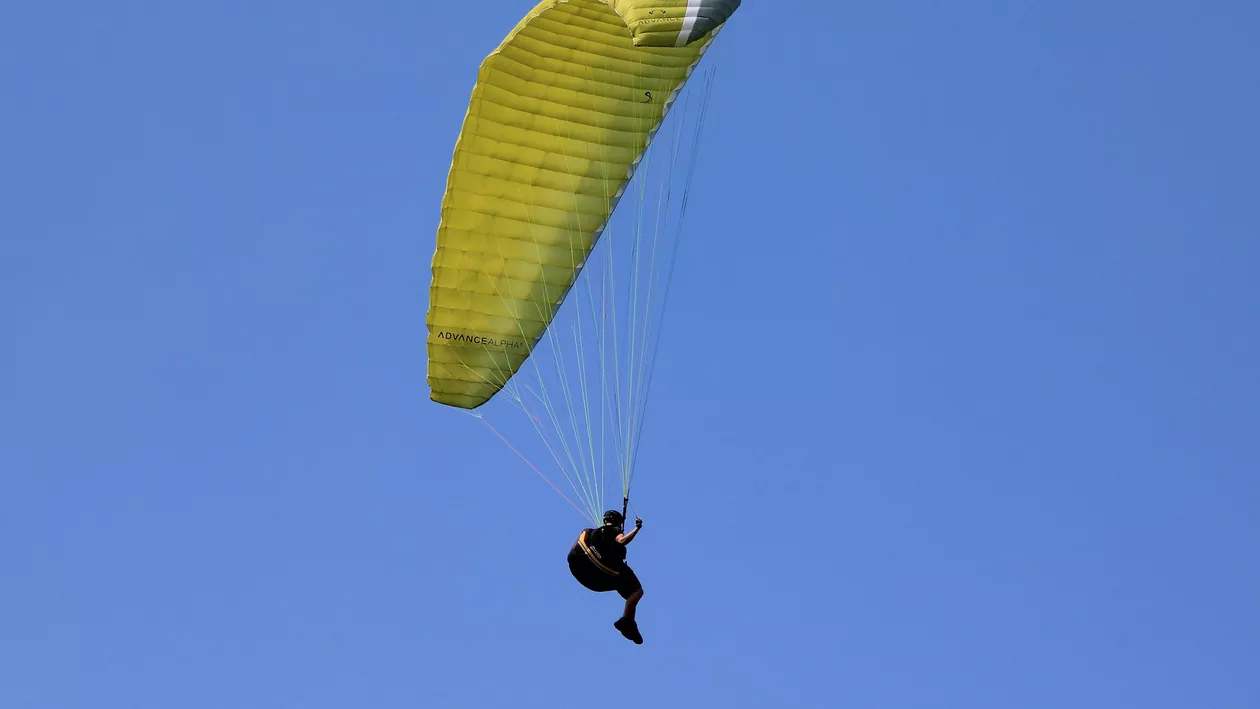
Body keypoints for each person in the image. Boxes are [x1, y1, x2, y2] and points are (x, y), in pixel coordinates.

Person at [567, 509, 645, 644]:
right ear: (618, 523)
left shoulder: (592, 532)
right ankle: (627, 620)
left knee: (626, 584)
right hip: (602, 574)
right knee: (636, 591)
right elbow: (622, 541)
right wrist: (636, 529)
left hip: (580, 568)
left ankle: (629, 624)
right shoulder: (614, 531)